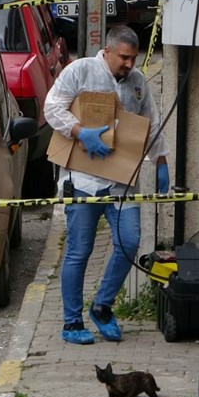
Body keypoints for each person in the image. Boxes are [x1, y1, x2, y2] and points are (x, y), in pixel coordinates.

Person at [44, 25, 170, 345]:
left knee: (129, 242)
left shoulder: (138, 83)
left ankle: (102, 306)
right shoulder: (81, 71)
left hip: (121, 182)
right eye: (124, 58)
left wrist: (162, 162)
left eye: (134, 58)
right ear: (108, 51)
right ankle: (72, 322)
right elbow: (52, 106)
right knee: (78, 252)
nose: (129, 64)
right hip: (82, 180)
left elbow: (151, 123)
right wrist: (78, 131)